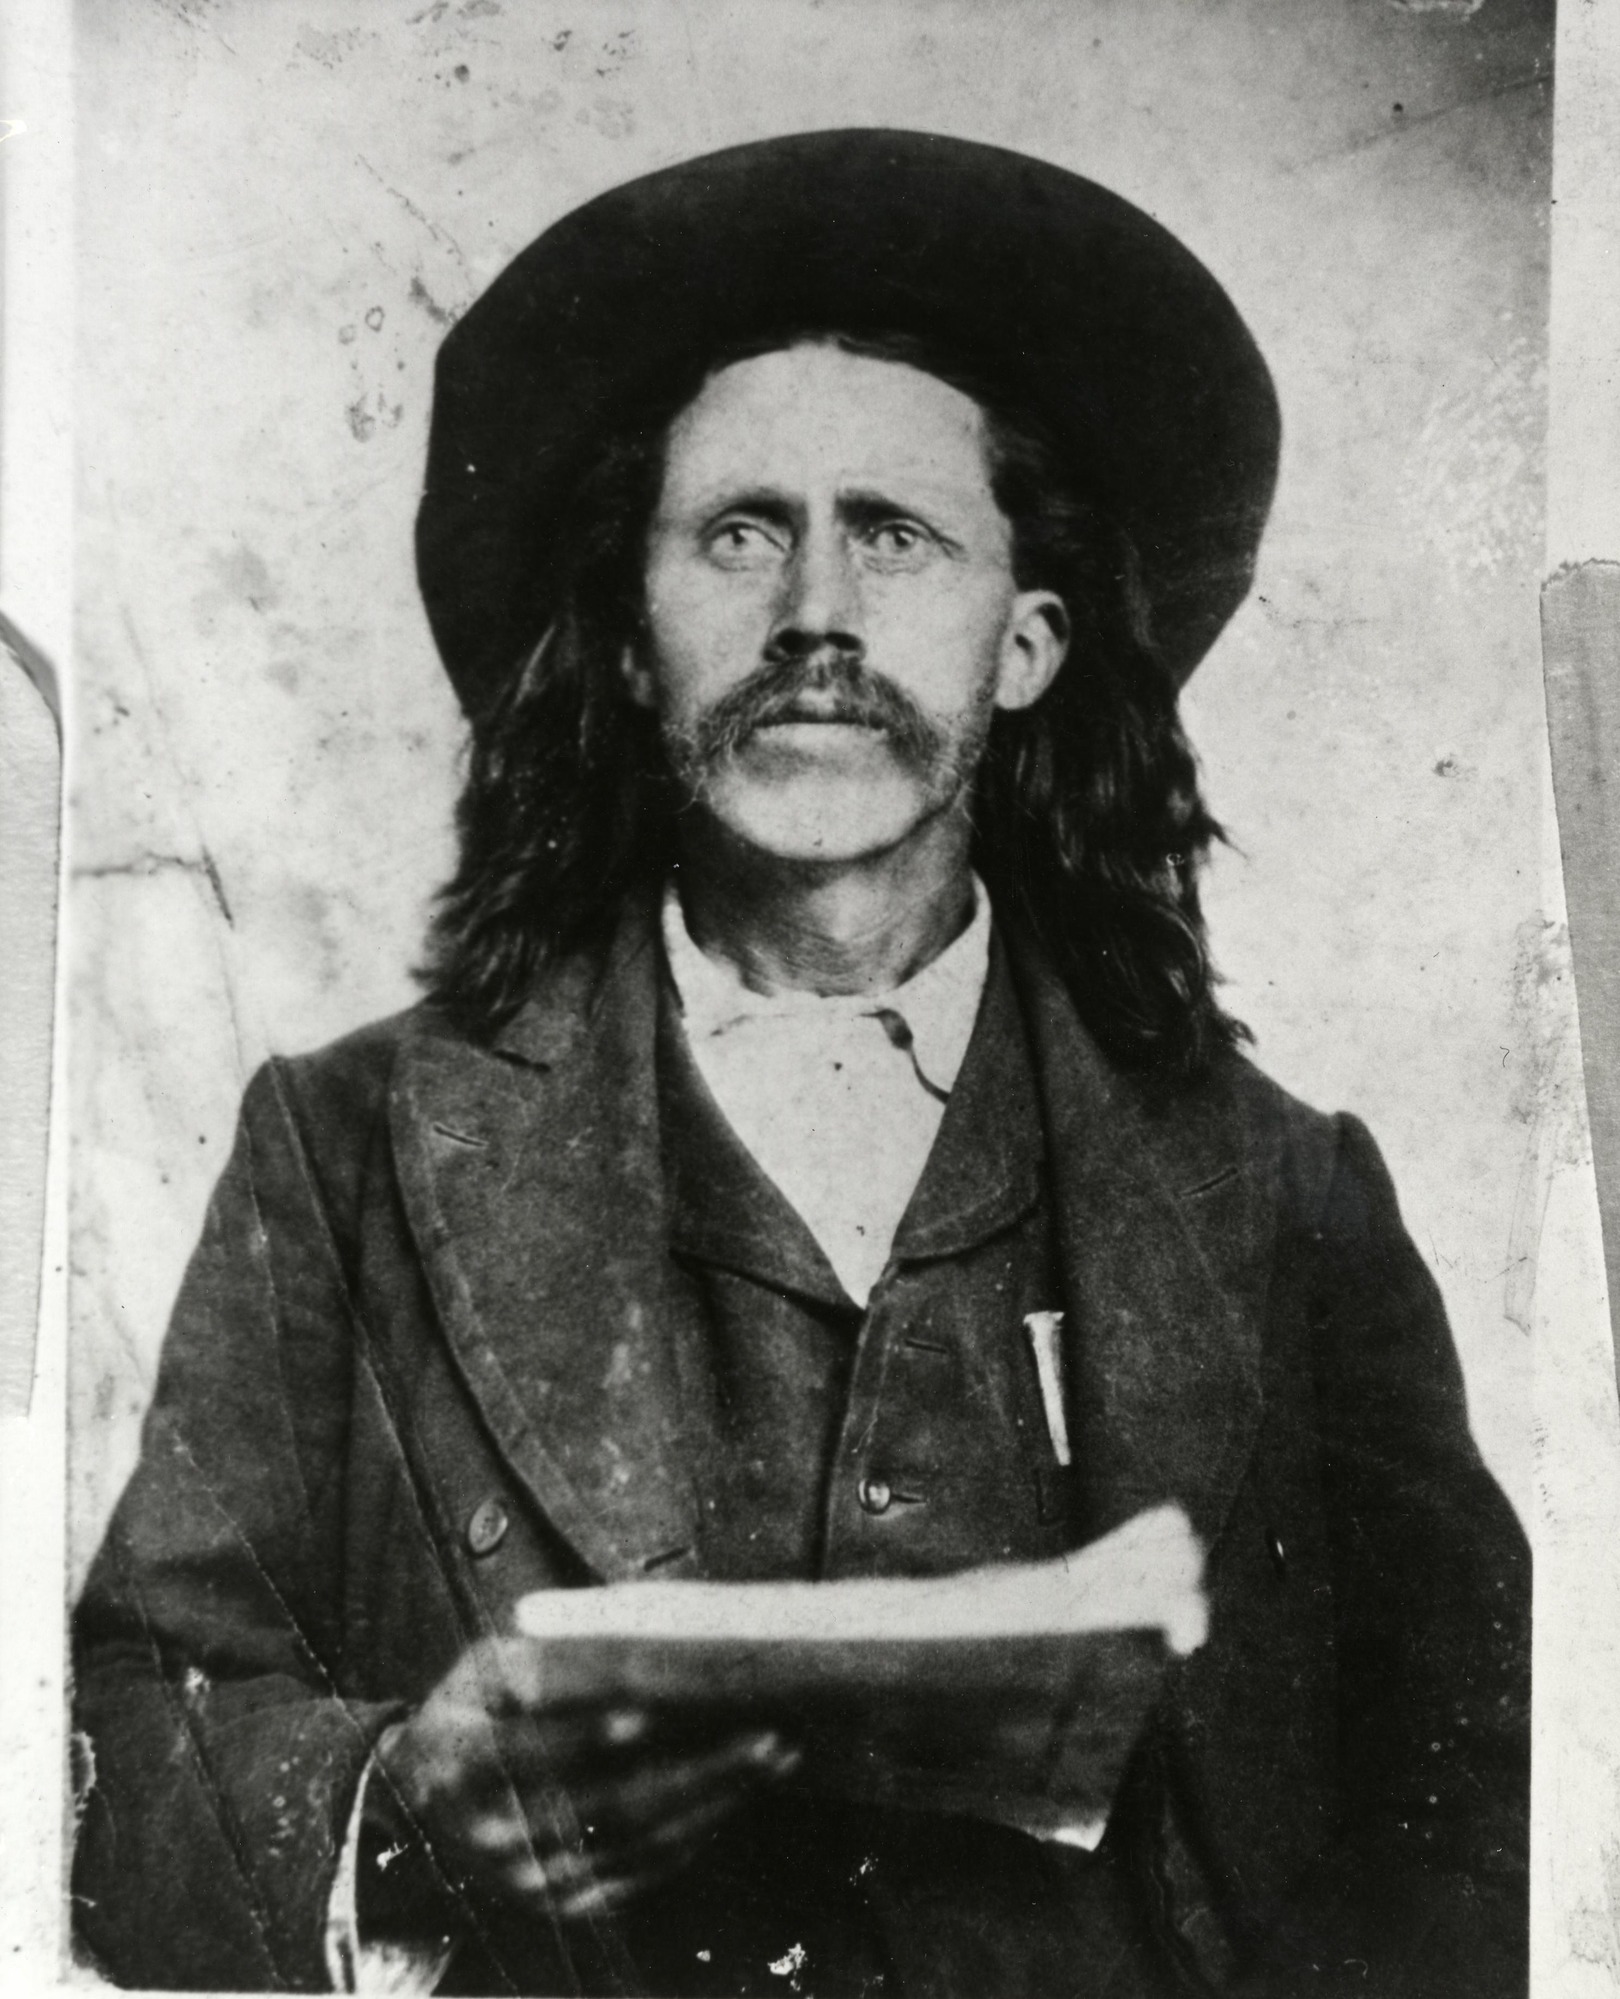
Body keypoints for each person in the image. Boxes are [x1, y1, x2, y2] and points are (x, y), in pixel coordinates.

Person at [72, 131, 1529, 1998]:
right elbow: (108, 1746)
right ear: (629, 633)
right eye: (743, 531)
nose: (818, 615)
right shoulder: (341, 1154)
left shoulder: (1285, 1190)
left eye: (896, 535)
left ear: (1027, 644)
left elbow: (1494, 1790)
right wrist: (392, 1800)